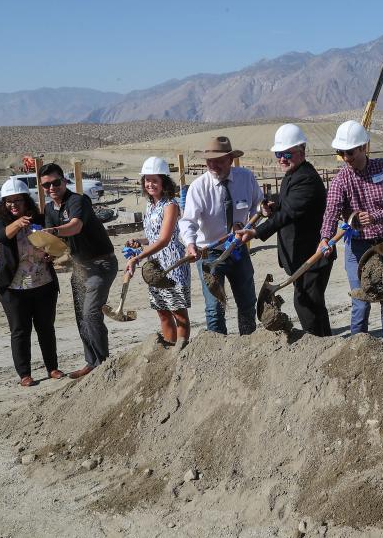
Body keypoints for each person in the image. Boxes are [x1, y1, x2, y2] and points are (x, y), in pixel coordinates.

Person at [236, 124, 334, 337]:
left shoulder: (306, 178)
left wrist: (256, 232)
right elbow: (286, 204)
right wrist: (272, 206)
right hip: (301, 255)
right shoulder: (294, 174)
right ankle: (323, 342)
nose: (281, 158)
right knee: (310, 303)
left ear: (301, 152)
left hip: (314, 255)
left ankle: (319, 344)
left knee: (307, 304)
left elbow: (289, 212)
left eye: (286, 153)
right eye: (278, 154)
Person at [318, 120, 383, 347]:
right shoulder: (340, 181)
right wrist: (325, 238)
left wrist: (375, 216)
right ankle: (358, 348)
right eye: (341, 153)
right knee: (360, 301)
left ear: (364, 147)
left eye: (350, 152)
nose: (346, 157)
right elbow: (331, 212)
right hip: (357, 249)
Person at [179, 136, 263, 336]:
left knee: (247, 302)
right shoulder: (198, 187)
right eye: (210, 161)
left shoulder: (246, 178)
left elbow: (257, 206)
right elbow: (188, 221)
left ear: (230, 160)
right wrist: (190, 244)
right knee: (214, 308)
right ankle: (217, 350)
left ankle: (248, 345)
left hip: (238, 250)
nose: (213, 165)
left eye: (219, 160)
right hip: (209, 254)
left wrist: (255, 220)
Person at [41, 163, 118, 379]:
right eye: (46, 185)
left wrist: (54, 230)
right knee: (81, 317)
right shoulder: (49, 209)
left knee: (91, 314)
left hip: (101, 264)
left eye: (56, 182)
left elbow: (75, 226)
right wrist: (50, 253)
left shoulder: (78, 201)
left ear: (64, 182)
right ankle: (91, 362)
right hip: (80, 266)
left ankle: (103, 363)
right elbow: (53, 241)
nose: (52, 188)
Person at [0, 178, 62, 387]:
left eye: (18, 201)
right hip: (15, 288)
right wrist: (17, 223)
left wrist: (52, 255)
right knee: (20, 331)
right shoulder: (0, 220)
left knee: (46, 328)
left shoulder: (39, 218)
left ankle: (52, 367)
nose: (13, 205)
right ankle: (25, 374)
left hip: (44, 284)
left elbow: (55, 243)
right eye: (9, 201)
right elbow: (2, 236)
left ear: (26, 201)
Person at [125, 157, 191, 349]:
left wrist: (138, 257)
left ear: (164, 181)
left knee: (178, 312)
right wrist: (140, 241)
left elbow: (164, 239)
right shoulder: (150, 205)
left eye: (155, 180)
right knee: (162, 310)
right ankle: (169, 350)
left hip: (172, 264)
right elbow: (154, 236)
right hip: (155, 264)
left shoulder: (170, 205)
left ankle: (181, 351)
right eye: (147, 180)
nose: (150, 184)